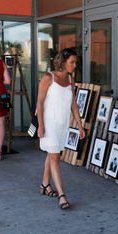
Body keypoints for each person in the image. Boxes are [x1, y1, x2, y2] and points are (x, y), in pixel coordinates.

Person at [37, 48, 85, 209]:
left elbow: (73, 104)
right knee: (55, 157)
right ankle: (62, 195)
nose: (74, 65)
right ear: (63, 62)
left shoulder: (70, 80)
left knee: (52, 154)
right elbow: (39, 103)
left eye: (75, 62)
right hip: (49, 124)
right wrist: (41, 126)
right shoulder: (48, 78)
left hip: (61, 125)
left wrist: (79, 125)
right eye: (72, 62)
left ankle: (45, 184)